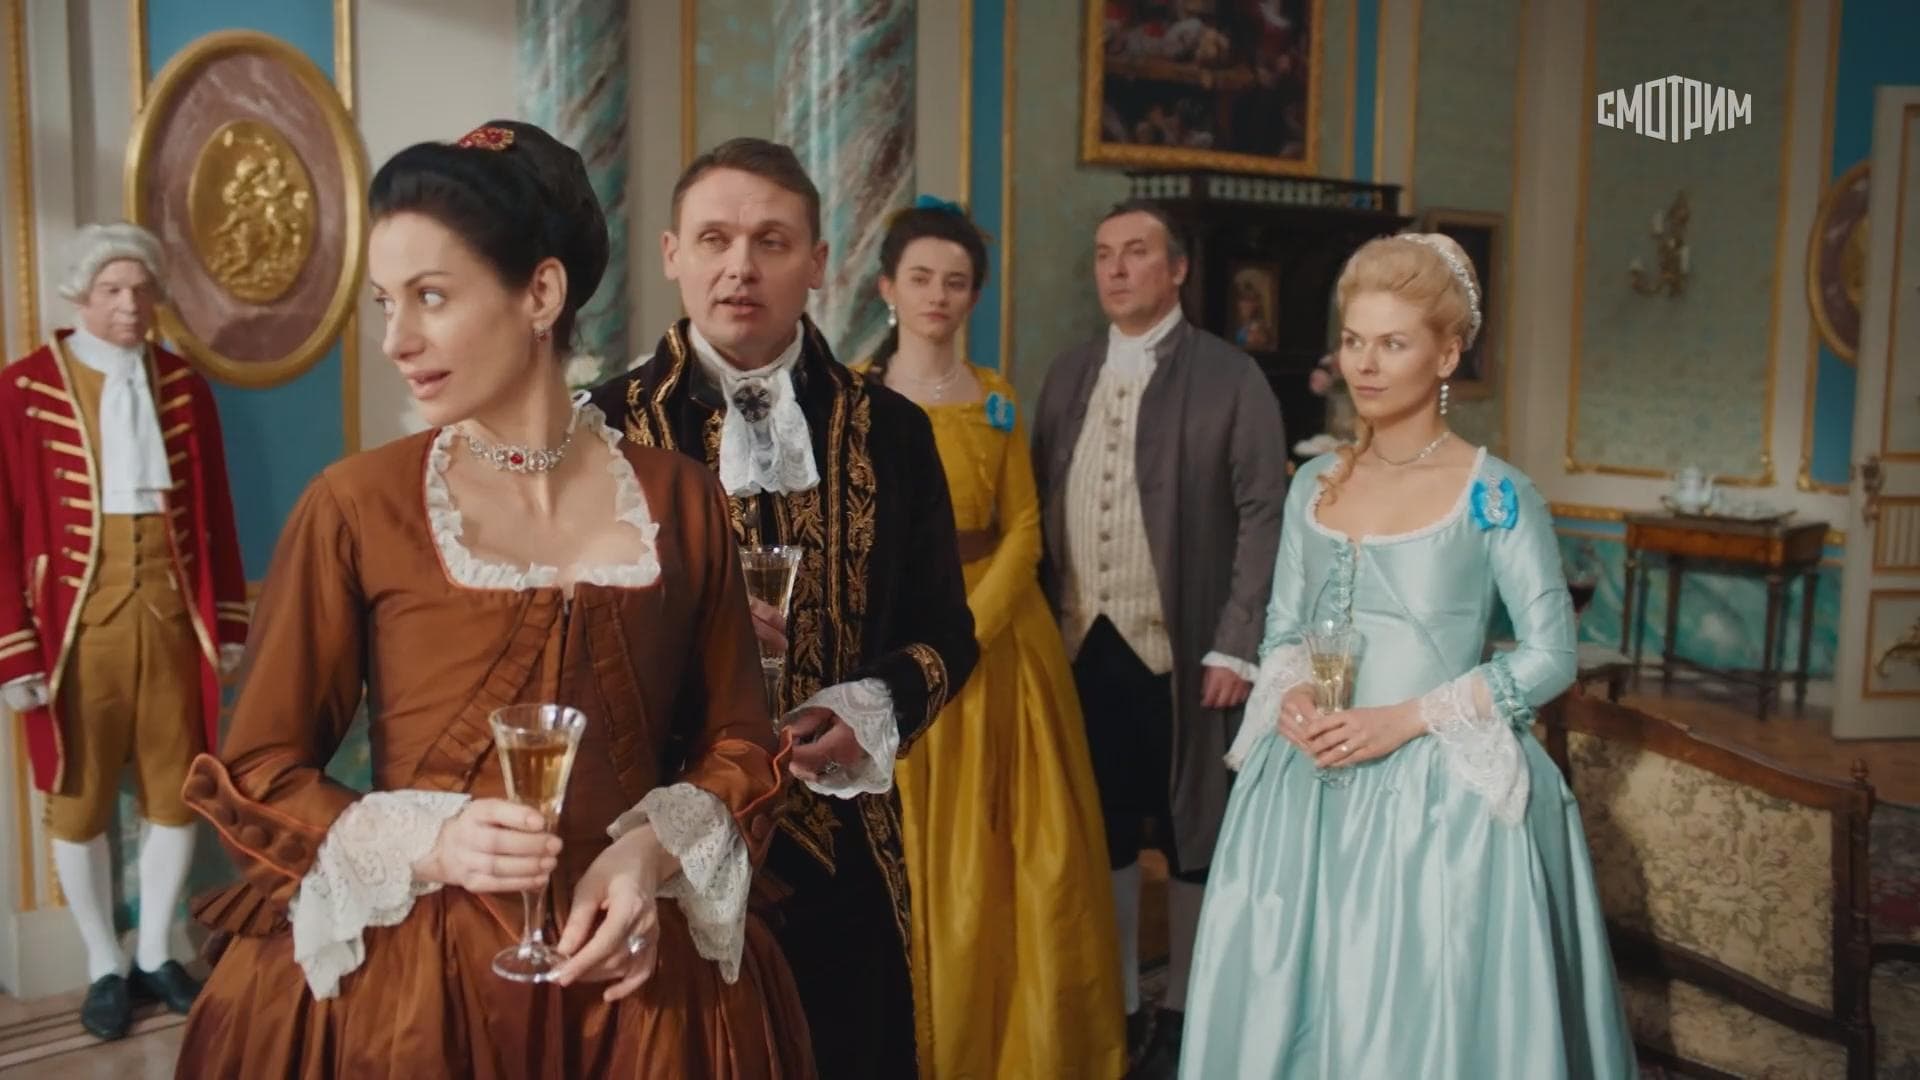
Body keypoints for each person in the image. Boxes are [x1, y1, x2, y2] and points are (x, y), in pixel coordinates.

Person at [174, 121, 811, 1077]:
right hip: (417, 998)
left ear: (540, 294)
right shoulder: (356, 505)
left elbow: (741, 743)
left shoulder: (680, 499)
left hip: (637, 987)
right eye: (386, 303)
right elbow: (260, 769)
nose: (397, 340)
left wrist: (650, 854)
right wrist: (431, 841)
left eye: (431, 297)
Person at [1179, 234, 1636, 1078]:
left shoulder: (1494, 492)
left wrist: (1406, 720)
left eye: (1392, 343)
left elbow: (1551, 656)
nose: (1365, 363)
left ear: (1447, 354)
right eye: (1354, 340)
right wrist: (1290, 698)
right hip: (1306, 784)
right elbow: (1283, 633)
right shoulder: (1314, 483)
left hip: (1438, 800)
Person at [588, 138, 979, 1079]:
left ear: (817, 263)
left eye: (771, 241)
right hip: (658, 842)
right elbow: (564, 649)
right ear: (672, 253)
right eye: (714, 239)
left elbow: (946, 636)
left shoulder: (893, 430)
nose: (741, 266)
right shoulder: (601, 429)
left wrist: (866, 709)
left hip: (843, 848)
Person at [854, 197, 1126, 1079]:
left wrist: (962, 634)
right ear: (888, 287)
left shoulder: (998, 399)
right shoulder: (851, 396)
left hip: (999, 647)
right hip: (889, 643)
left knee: (1019, 859)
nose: (938, 296)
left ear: (975, 295)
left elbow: (1025, 530)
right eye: (921, 278)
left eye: (957, 281)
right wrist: (910, 641)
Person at [1030, 197, 1289, 1076]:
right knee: (1099, 825)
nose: (1116, 268)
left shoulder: (1231, 376)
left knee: (1190, 832)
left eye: (1136, 252)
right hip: (1081, 644)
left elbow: (1264, 513)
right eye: (1104, 253)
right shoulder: (1068, 372)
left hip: (1188, 652)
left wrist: (1238, 640)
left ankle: (1182, 1008)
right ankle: (1122, 1000)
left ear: (1177, 269)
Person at [0, 222, 247, 1040]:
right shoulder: (25, 387)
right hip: (74, 632)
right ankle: (103, 961)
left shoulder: (183, 387)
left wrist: (228, 619)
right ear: (80, 295)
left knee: (176, 794)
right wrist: (14, 649)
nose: (129, 305)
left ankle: (155, 952)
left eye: (140, 290)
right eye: (111, 290)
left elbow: (215, 511)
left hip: (173, 624)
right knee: (79, 802)